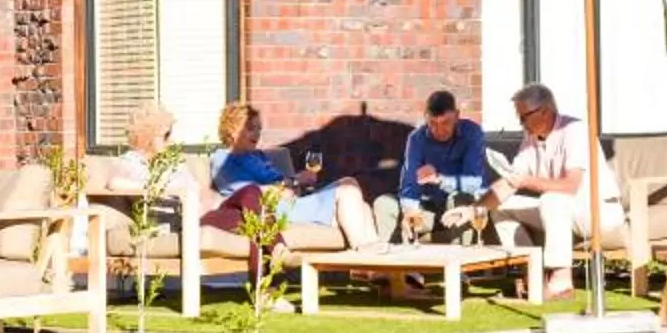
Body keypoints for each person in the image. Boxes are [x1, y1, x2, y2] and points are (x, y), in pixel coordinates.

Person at [492, 82, 621, 303]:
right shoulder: (531, 138)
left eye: (524, 117)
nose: (521, 123)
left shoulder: (575, 131)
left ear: (544, 111)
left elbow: (570, 186)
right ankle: (532, 274)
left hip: (597, 210)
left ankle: (561, 281)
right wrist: (474, 209)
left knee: (553, 199)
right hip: (561, 213)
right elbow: (510, 181)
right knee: (500, 207)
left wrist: (528, 181)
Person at [211, 102, 378, 248]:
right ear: (233, 130)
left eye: (258, 128)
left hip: (294, 202)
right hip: (273, 211)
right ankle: (362, 257)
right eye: (250, 128)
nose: (257, 133)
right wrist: (293, 182)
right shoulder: (224, 159)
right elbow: (249, 194)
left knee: (361, 204)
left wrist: (296, 183)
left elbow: (287, 186)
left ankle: (377, 267)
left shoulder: (258, 156)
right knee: (348, 190)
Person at [376, 88, 492, 240]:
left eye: (445, 123)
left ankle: (459, 260)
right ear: (426, 118)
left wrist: (440, 179)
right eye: (433, 123)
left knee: (460, 197)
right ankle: (392, 259)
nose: (439, 130)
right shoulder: (417, 139)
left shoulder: (472, 133)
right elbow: (410, 184)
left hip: (461, 207)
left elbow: (475, 182)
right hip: (429, 208)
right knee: (384, 204)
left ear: (457, 116)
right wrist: (410, 210)